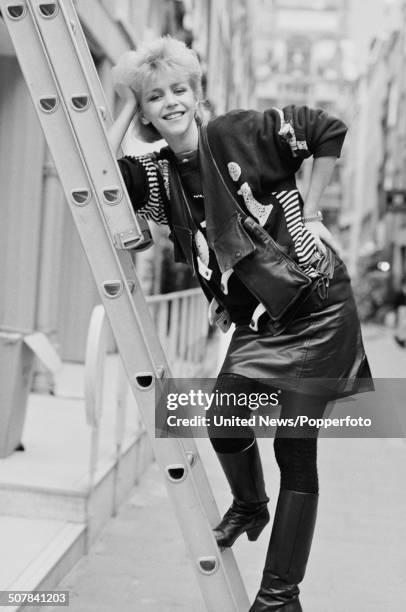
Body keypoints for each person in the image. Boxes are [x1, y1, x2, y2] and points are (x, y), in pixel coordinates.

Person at [109, 36, 373, 611]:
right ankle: (251, 504)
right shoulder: (160, 178)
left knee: (295, 450)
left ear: (197, 93)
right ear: (149, 112)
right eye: (157, 97)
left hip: (316, 308)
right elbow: (104, 178)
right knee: (223, 422)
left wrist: (315, 209)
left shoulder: (236, 133)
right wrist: (127, 100)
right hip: (260, 323)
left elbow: (327, 128)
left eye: (180, 89)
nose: (171, 103)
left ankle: (280, 595)